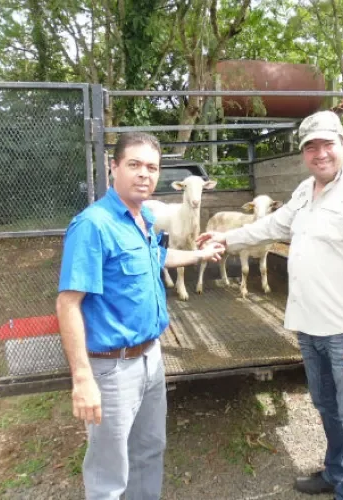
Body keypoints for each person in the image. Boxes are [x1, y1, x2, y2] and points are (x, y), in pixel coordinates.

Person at [197, 110, 343, 500]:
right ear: (303, 152)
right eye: (310, 146)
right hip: (308, 324)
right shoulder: (306, 190)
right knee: (327, 406)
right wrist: (226, 239)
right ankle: (336, 472)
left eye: (327, 144)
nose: (320, 153)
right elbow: (272, 226)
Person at [55, 131, 225, 500]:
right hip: (112, 368)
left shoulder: (145, 217)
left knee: (149, 451)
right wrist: (82, 378)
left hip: (151, 358)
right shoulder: (94, 225)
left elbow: (158, 258)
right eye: (134, 164)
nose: (144, 174)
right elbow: (68, 303)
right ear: (113, 167)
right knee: (109, 474)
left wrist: (200, 255)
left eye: (152, 167)